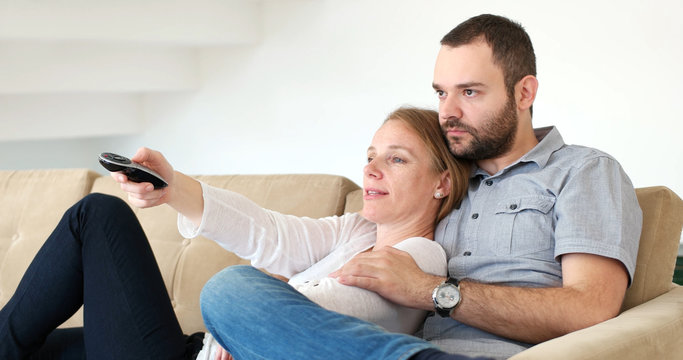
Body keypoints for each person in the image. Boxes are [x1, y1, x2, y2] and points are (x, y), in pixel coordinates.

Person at [198, 14, 643, 360]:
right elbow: (302, 242)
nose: (448, 112)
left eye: (469, 92)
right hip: (388, 346)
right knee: (235, 289)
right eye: (441, 93)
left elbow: (590, 309)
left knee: (228, 292)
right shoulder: (435, 178)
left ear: (524, 92)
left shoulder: (582, 171)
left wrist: (430, 290)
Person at [0, 107, 472, 359]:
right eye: (370, 155)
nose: (371, 169)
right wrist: (172, 186)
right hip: (194, 346)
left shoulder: (423, 259)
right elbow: (269, 235)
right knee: (30, 347)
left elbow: (314, 314)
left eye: (396, 159)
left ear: (441, 183)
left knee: (98, 216)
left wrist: (256, 305)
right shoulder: (358, 230)